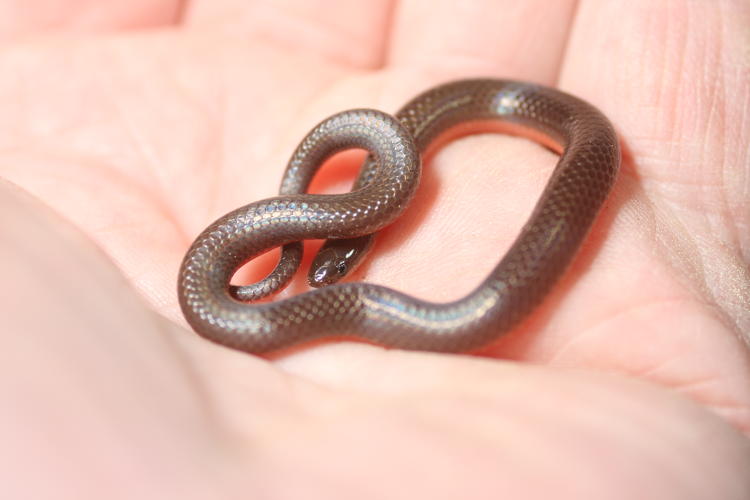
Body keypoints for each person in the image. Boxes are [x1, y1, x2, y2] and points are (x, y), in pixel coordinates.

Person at [1, 1, 748, 498]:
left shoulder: (562, 140)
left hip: (518, 144)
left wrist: (299, 263)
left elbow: (590, 140)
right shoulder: (341, 227)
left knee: (586, 148)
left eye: (335, 261)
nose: (334, 272)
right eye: (330, 262)